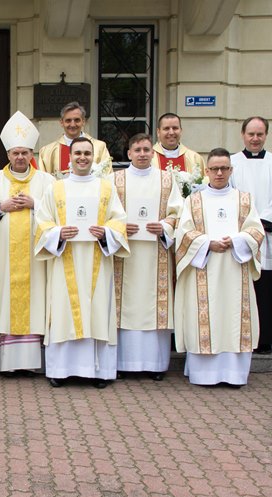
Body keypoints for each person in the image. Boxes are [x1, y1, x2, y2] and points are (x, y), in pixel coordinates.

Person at [35, 136, 129, 388]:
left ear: (93, 157)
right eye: (78, 153)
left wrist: (107, 232)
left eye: (87, 153)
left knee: (98, 310)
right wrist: (57, 233)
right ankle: (60, 370)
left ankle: (99, 372)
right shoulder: (55, 188)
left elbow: (119, 220)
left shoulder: (106, 188)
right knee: (63, 312)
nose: (82, 158)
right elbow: (42, 222)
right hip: (64, 259)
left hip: (97, 259)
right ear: (70, 157)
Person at [174, 148, 265, 387]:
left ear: (231, 170)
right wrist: (207, 243)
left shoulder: (244, 199)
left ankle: (234, 374)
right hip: (204, 266)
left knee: (233, 318)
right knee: (206, 315)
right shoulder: (193, 201)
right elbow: (182, 232)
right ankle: (204, 374)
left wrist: (236, 241)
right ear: (207, 171)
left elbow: (256, 231)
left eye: (224, 168)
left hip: (235, 269)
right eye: (214, 168)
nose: (219, 173)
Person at [0, 111, 54, 374]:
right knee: (1, 302)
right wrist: (0, 206)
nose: (20, 157)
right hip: (0, 259)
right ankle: (1, 363)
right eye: (15, 152)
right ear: (7, 154)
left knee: (35, 303)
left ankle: (30, 363)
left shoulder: (47, 182)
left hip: (35, 260)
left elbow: (57, 215)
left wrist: (36, 204)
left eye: (25, 152)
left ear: (33, 154)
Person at [112, 133, 183, 381]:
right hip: (125, 256)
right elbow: (106, 215)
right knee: (126, 305)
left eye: (146, 149)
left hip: (156, 254)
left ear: (153, 153)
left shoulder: (166, 180)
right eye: (137, 150)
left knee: (154, 307)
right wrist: (120, 227)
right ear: (129, 153)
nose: (142, 154)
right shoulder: (115, 180)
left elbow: (178, 213)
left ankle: (155, 365)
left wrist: (163, 226)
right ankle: (123, 363)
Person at [230, 116, 272, 354]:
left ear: (266, 135)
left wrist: (263, 222)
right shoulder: (232, 163)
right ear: (243, 135)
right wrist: (247, 225)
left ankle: (266, 337)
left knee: (267, 286)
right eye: (251, 134)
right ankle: (241, 335)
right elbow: (230, 194)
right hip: (242, 235)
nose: (255, 139)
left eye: (260, 134)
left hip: (268, 234)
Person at [37, 102, 112, 178]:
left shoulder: (99, 147)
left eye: (77, 120)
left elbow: (107, 178)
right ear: (61, 122)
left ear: (83, 121)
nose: (72, 125)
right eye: (68, 120)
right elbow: (43, 181)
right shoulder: (47, 151)